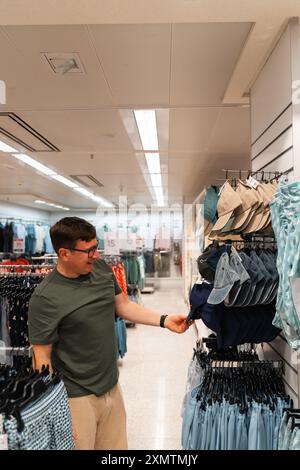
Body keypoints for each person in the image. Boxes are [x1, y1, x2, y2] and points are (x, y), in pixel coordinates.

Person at [28, 217, 191, 450]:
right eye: (88, 251)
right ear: (64, 253)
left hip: (111, 387)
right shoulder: (45, 298)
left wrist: (164, 321)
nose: (95, 255)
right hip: (75, 397)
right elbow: (42, 357)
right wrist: (53, 412)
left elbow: (123, 306)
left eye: (96, 247)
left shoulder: (102, 270)